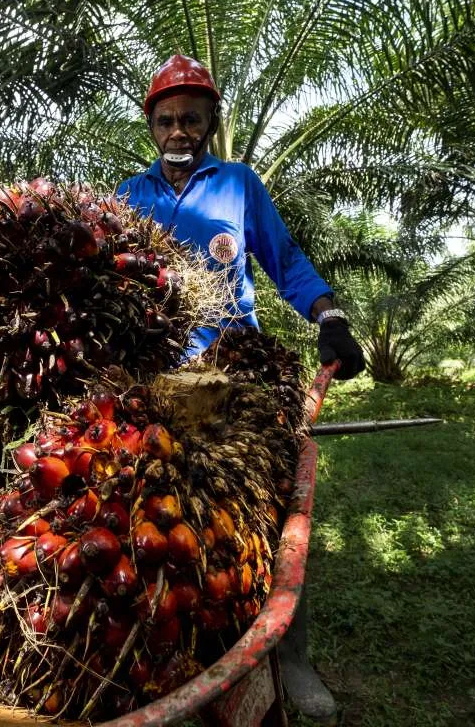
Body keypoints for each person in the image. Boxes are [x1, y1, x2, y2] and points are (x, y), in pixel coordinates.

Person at [117, 54, 366, 724]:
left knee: (279, 506)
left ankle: (293, 656)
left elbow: (283, 261)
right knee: (164, 505)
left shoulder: (238, 184)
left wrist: (329, 316)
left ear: (210, 122)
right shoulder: (129, 196)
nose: (178, 129)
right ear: (151, 124)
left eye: (191, 118)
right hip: (162, 377)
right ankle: (182, 640)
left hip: (239, 370)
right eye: (166, 119)